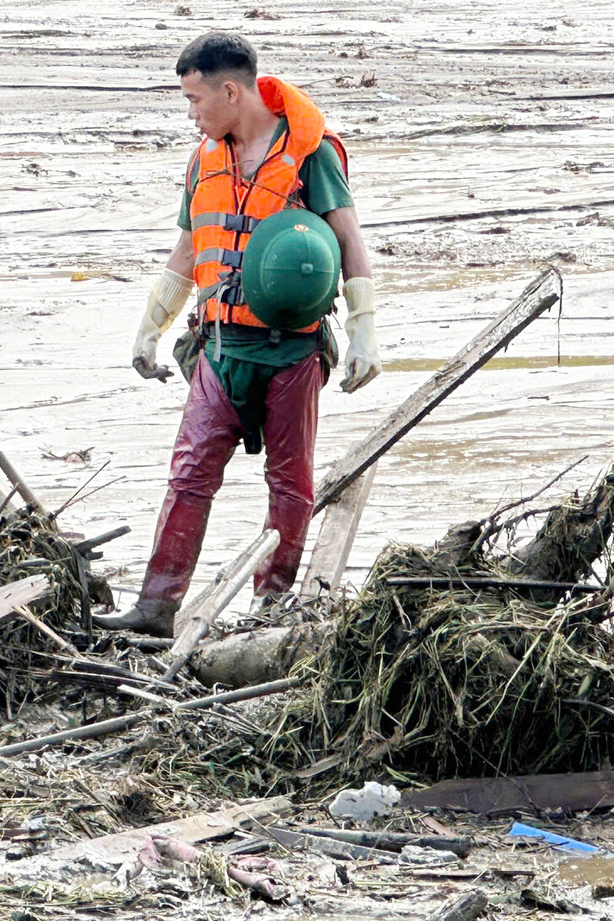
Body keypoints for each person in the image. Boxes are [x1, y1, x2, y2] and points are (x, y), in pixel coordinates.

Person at [98, 32, 381, 637]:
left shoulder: (311, 154)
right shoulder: (205, 158)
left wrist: (363, 332)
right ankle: (155, 607)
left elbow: (351, 241)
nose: (191, 113)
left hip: (291, 351)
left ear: (231, 90)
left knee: (290, 483)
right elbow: (190, 244)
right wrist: (150, 328)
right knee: (189, 472)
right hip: (219, 347)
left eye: (196, 99)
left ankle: (270, 609)